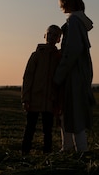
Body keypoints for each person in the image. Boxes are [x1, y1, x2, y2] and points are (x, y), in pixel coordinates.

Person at [53, 0, 95, 152]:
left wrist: (59, 75)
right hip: (77, 73)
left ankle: (81, 150)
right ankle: (68, 146)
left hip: (74, 75)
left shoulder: (74, 22)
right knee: (68, 111)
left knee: (74, 111)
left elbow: (72, 51)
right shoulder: (78, 21)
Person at [21, 25, 63, 155]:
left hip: (50, 99)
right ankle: (24, 154)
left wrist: (57, 100)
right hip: (34, 98)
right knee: (30, 128)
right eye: (49, 34)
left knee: (48, 130)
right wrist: (26, 98)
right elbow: (27, 77)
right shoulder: (36, 55)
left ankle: (47, 154)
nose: (51, 37)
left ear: (58, 39)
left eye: (55, 35)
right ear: (45, 36)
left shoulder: (59, 57)